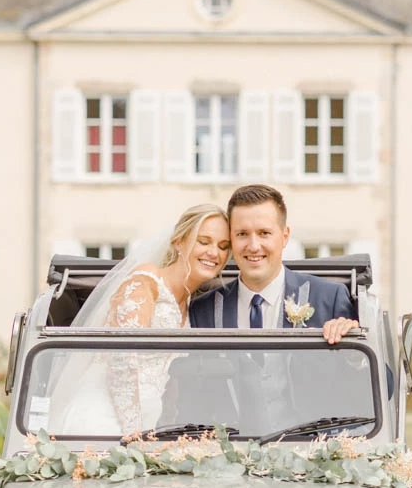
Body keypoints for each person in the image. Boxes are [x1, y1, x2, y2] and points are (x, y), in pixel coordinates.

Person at [52, 204, 231, 434]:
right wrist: (134, 433)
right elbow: (121, 358)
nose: (214, 253)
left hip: (149, 422)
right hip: (102, 417)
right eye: (203, 241)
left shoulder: (191, 304)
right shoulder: (147, 280)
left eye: (223, 246)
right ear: (179, 242)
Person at [188, 184, 358, 343]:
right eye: (242, 234)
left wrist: (354, 353)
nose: (253, 246)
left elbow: (375, 371)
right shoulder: (202, 309)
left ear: (284, 237)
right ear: (231, 238)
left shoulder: (329, 298)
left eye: (264, 233)